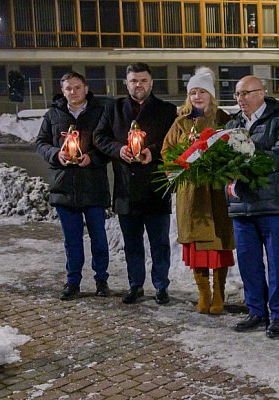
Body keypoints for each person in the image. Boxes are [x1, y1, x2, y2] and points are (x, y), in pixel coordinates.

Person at [93, 62, 177, 305]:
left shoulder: (166, 110)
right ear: (126, 83)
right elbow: (100, 137)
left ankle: (161, 285)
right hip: (126, 189)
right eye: (133, 81)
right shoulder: (113, 108)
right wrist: (119, 150)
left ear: (151, 82)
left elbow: (172, 142)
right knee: (132, 243)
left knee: (159, 242)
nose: (138, 85)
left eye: (143, 80)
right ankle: (135, 285)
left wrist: (153, 152)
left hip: (156, 187)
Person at [225, 75, 279, 339]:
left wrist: (250, 155)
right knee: (248, 263)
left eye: (245, 93)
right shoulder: (232, 124)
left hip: (272, 205)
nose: (240, 99)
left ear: (262, 93)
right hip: (241, 205)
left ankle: (278, 315)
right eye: (237, 94)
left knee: (277, 264)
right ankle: (256, 311)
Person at [161, 67, 234, 315]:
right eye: (193, 92)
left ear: (211, 95)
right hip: (192, 195)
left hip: (216, 194)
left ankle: (220, 293)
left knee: (219, 245)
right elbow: (167, 151)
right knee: (197, 246)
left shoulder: (223, 119)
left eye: (202, 91)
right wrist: (179, 167)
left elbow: (235, 149)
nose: (197, 97)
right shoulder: (181, 122)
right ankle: (203, 292)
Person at [36, 71, 110, 301]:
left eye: (77, 87)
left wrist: (92, 158)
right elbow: (41, 143)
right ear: (63, 90)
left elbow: (108, 144)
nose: (73, 92)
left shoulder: (99, 112)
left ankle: (101, 280)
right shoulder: (53, 114)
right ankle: (73, 282)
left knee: (99, 237)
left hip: (93, 185)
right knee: (72, 239)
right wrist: (56, 154)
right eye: (68, 88)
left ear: (86, 88)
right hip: (64, 187)